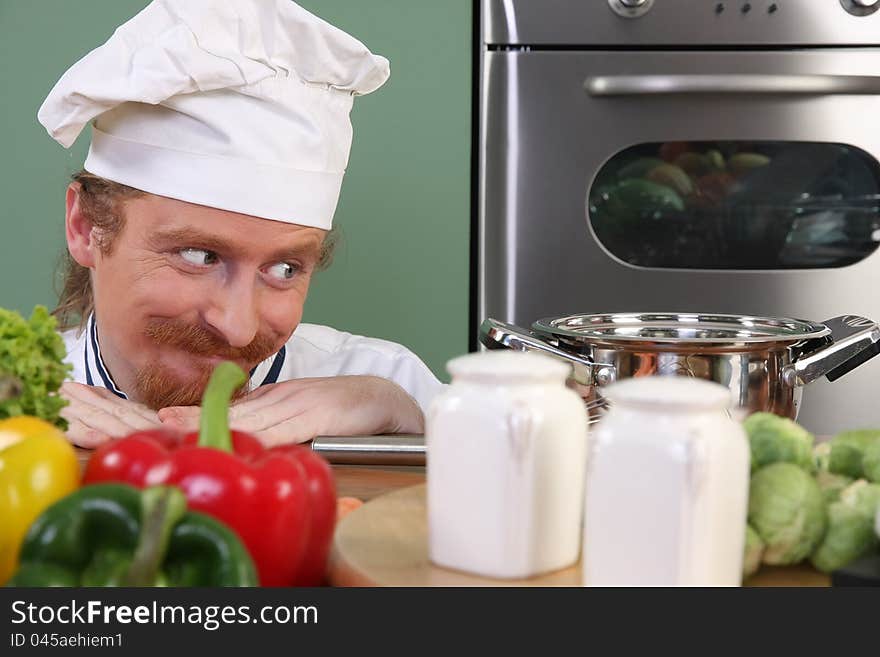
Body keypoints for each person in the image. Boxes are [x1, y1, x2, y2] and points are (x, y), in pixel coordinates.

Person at [38, 0, 445, 447]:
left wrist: (411, 424)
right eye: (198, 256)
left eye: (284, 269)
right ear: (84, 227)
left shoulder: (389, 384)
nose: (238, 328)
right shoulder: (18, 397)